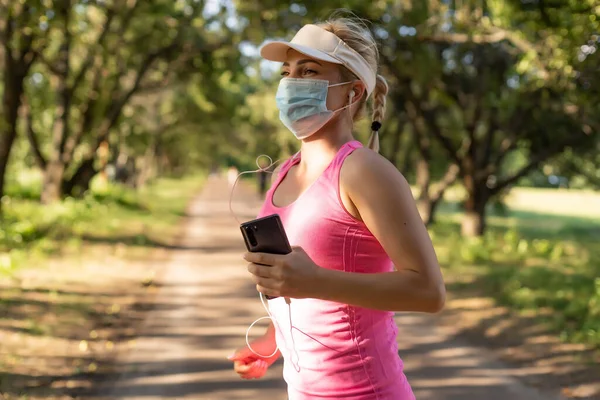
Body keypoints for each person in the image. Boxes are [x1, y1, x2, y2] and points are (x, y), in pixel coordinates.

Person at [228, 15, 445, 400]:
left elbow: (428, 291)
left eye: (309, 71)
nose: (292, 83)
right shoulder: (285, 171)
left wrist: (314, 282)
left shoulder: (364, 171)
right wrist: (270, 341)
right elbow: (295, 282)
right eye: (287, 72)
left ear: (354, 91)